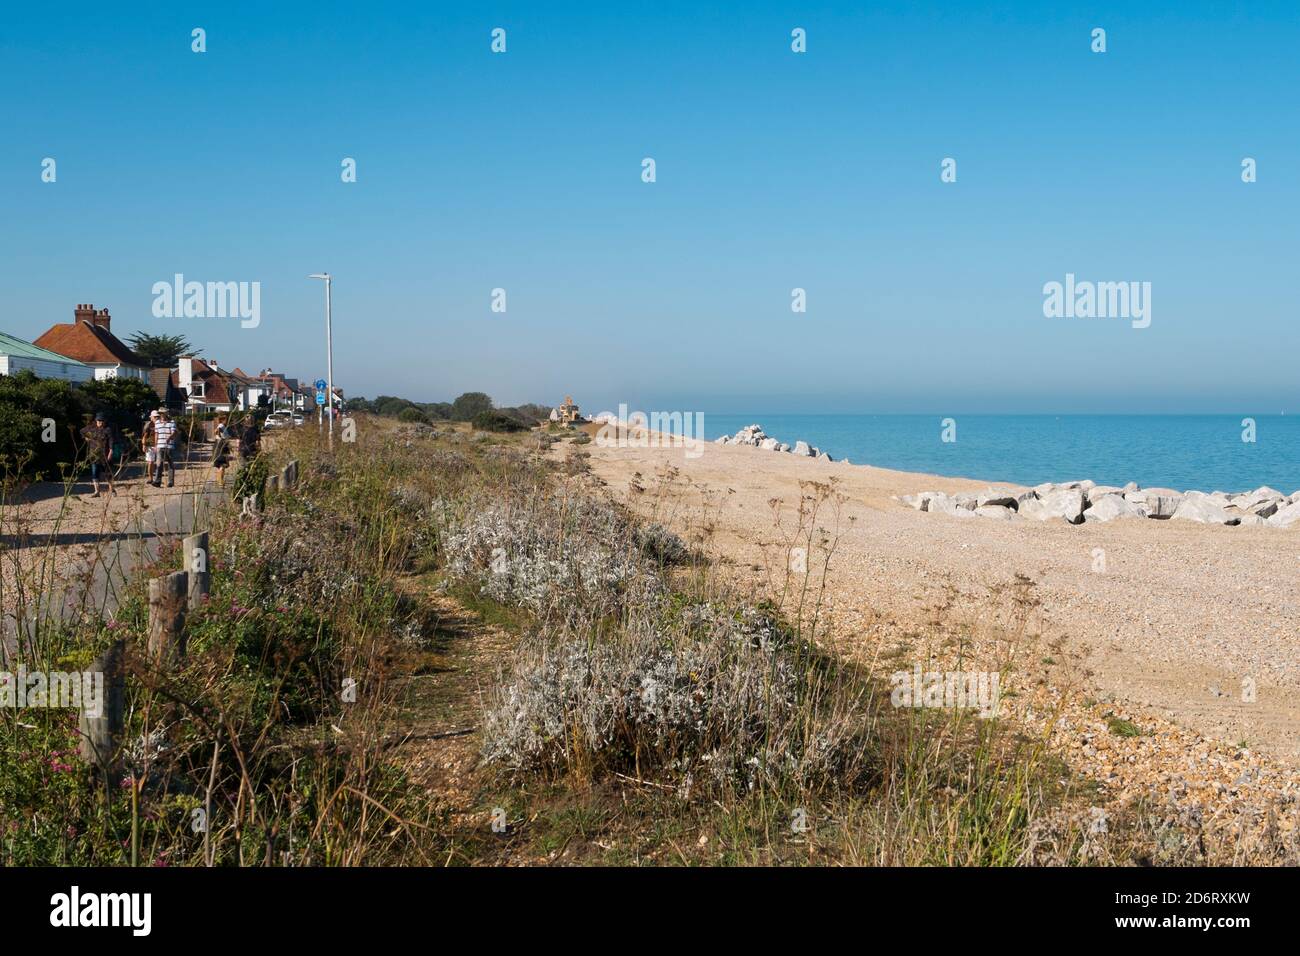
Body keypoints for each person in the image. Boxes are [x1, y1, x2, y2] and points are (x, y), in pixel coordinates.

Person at [80, 411, 115, 498]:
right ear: (96, 421)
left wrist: (111, 450)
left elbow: (111, 440)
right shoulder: (91, 428)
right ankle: (97, 491)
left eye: (102, 421)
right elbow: (81, 431)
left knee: (107, 473)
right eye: (99, 421)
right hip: (94, 454)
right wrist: (86, 438)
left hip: (104, 454)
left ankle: (112, 490)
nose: (100, 422)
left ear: (105, 421)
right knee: (94, 472)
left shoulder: (108, 429)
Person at [152, 409, 177, 488]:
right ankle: (157, 481)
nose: (162, 415)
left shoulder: (172, 422)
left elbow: (173, 433)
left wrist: (170, 437)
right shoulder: (157, 423)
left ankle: (170, 482)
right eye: (160, 413)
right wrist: (155, 445)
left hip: (169, 446)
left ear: (166, 414)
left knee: (170, 463)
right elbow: (156, 434)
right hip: (160, 445)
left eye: (163, 413)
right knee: (159, 464)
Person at [212, 413, 233, 486]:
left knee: (219, 466)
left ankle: (219, 481)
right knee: (222, 465)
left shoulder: (222, 426)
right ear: (223, 420)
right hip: (221, 447)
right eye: (226, 419)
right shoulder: (221, 426)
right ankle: (221, 482)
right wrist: (221, 437)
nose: (227, 421)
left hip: (218, 446)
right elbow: (217, 431)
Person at [141, 410, 159, 484]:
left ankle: (157, 478)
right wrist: (144, 445)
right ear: (151, 417)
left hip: (158, 445)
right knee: (150, 462)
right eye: (154, 417)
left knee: (158, 463)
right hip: (150, 446)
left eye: (157, 417)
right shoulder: (148, 425)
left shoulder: (160, 424)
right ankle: (150, 478)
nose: (156, 418)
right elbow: (144, 436)